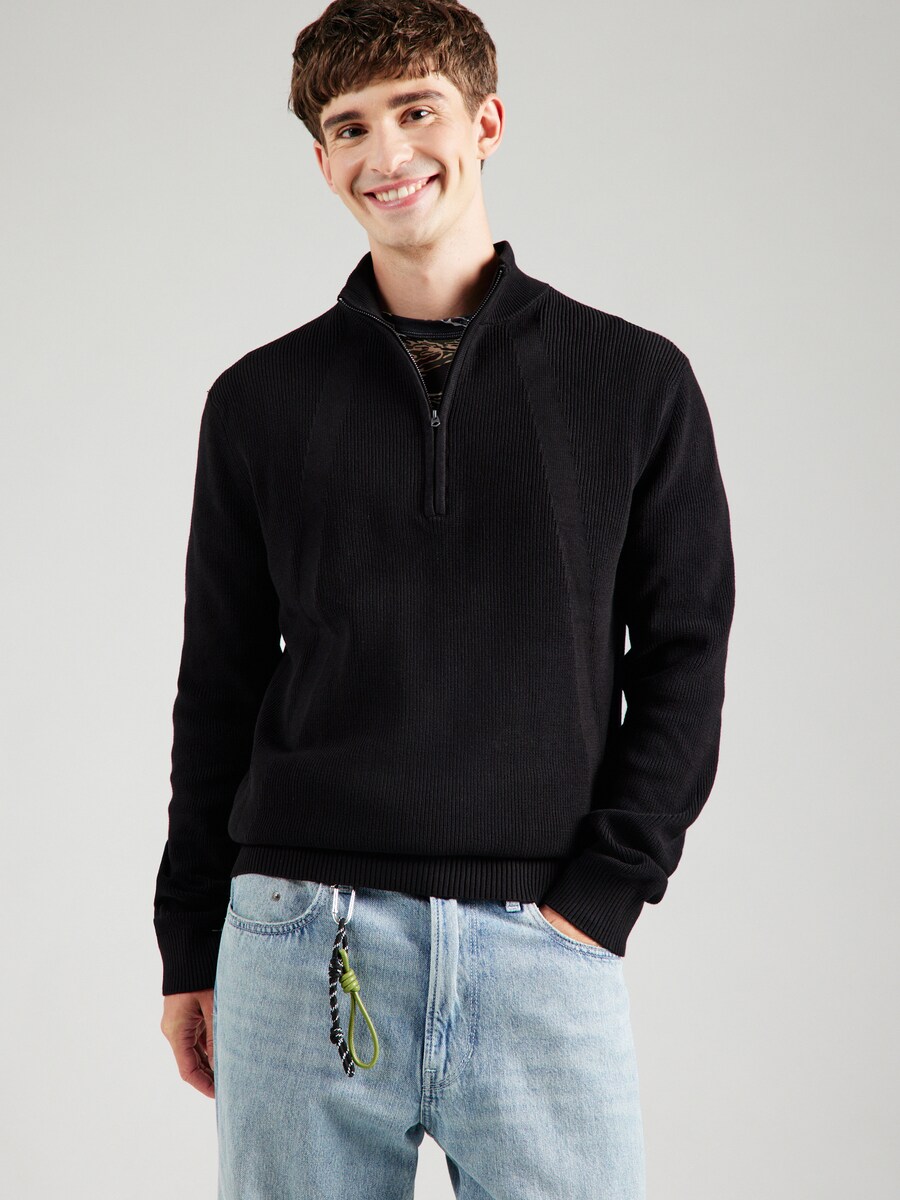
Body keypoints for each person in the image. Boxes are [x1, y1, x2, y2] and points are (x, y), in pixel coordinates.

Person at [154, 2, 736, 1196]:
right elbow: (218, 683)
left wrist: (603, 896)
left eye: (416, 110)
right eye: (349, 126)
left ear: (487, 122)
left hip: (544, 945)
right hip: (297, 942)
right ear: (323, 161)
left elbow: (686, 653)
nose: (387, 152)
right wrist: (188, 942)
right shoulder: (258, 402)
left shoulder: (636, 383)